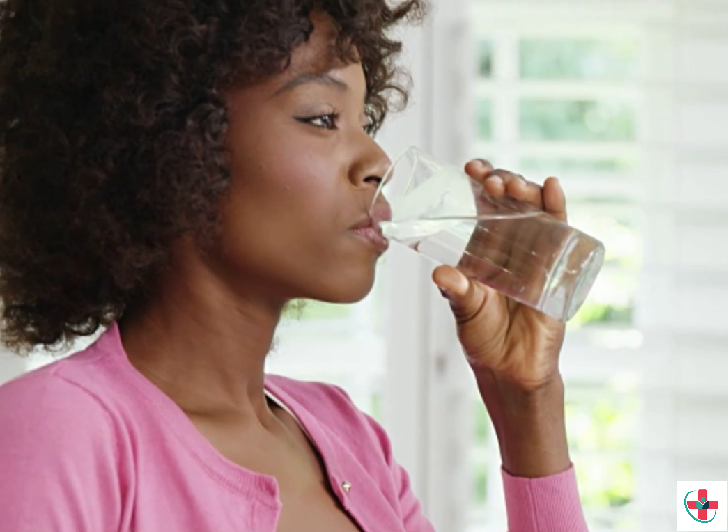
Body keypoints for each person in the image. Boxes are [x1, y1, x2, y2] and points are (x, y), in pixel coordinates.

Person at [0, 0, 589, 531]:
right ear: (171, 142)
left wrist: (525, 402)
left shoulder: (347, 437)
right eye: (322, 118)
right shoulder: (60, 431)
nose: (378, 161)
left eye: (367, 122)